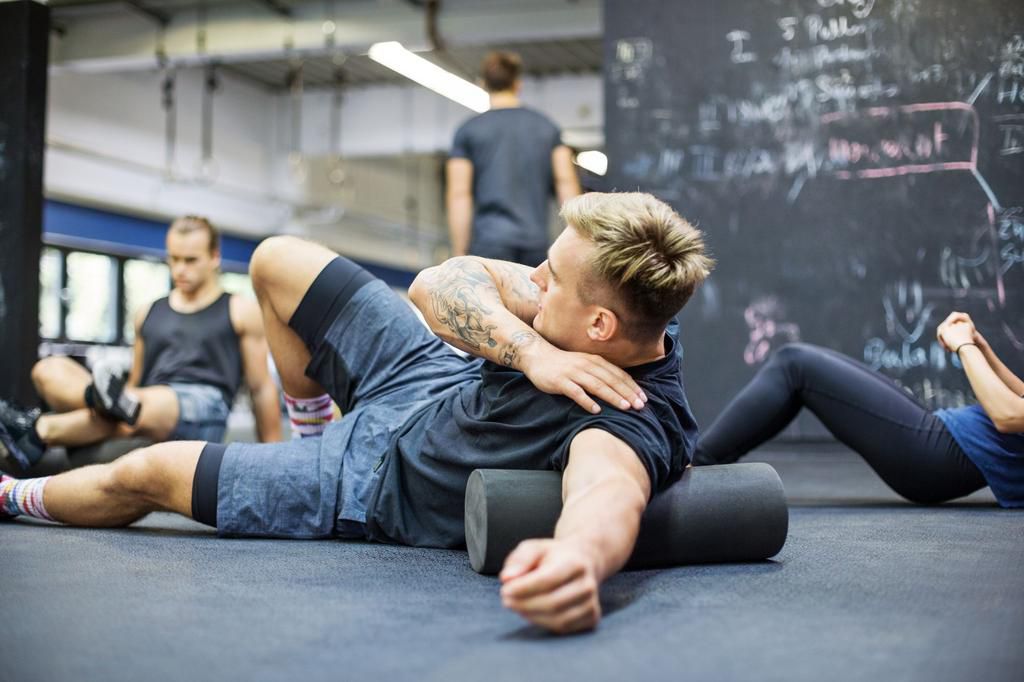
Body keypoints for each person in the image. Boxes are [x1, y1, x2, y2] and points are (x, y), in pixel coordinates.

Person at [0, 192, 713, 635]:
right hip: (426, 376)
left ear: (597, 327)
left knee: (149, 471)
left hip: (370, 479)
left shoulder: (629, 416)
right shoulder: (573, 314)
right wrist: (531, 352)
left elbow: (607, 492)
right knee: (277, 261)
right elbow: (440, 284)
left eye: (549, 279)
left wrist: (579, 561)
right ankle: (314, 427)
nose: (532, 280)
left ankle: (8, 493)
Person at [0, 216, 283, 474]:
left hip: (203, 405)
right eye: (173, 259)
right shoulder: (148, 312)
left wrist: (273, 460)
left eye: (190, 260)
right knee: (48, 369)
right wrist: (116, 403)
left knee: (141, 402)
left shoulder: (240, 309)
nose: (180, 269)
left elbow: (260, 388)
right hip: (142, 406)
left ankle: (39, 429)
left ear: (214, 257)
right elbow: (135, 382)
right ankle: (92, 407)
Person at [693, 313, 1024, 508]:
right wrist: (980, 345)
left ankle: (692, 470)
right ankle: (696, 467)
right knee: (796, 366)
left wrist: (964, 345)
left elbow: (1008, 416)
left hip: (939, 457)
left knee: (795, 365)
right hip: (944, 438)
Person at [446, 51, 581, 267]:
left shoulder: (467, 131)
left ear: (483, 84)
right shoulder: (547, 128)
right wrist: (577, 241)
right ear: (517, 84)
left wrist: (459, 252)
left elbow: (459, 195)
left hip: (488, 244)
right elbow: (565, 182)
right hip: (535, 244)